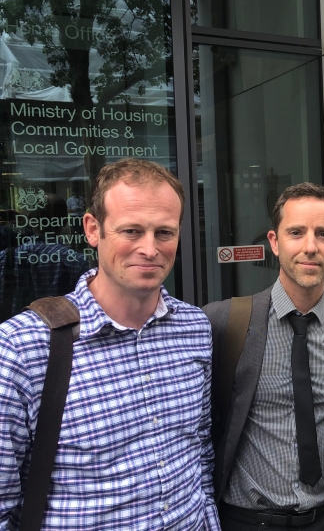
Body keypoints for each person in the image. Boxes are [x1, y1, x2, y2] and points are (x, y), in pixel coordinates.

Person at [0, 159, 220, 529]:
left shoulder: (194, 328)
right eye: (131, 231)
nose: (150, 249)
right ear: (92, 229)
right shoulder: (23, 350)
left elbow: (200, 456)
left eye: (164, 233)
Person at [204, 182, 324, 531]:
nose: (310, 247)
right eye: (296, 232)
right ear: (274, 241)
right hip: (249, 519)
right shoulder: (225, 321)